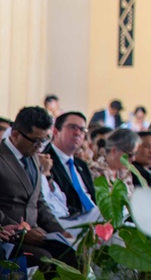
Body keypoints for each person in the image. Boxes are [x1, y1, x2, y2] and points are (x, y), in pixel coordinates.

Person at [0, 107, 77, 275]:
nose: (40, 147)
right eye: (36, 141)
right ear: (15, 135)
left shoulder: (32, 156)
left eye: (45, 140)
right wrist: (21, 232)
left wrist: (60, 232)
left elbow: (39, 202)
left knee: (71, 254)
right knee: (44, 259)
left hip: (35, 234)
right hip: (9, 236)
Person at [43, 112, 98, 221]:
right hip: (67, 221)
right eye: (72, 127)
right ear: (55, 131)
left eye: (82, 130)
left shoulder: (81, 164)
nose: (77, 133)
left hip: (94, 221)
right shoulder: (45, 161)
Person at [90, 128, 140, 196]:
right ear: (114, 151)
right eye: (130, 155)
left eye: (135, 154)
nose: (133, 159)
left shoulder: (125, 172)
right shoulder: (94, 170)